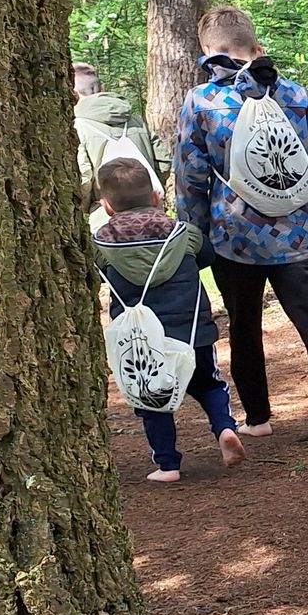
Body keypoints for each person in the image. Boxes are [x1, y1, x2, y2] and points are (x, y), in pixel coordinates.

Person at [174, 6, 308, 444]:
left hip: (232, 235)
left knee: (243, 325)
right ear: (255, 48)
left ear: (207, 50)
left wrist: (194, 240)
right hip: (295, 229)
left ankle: (258, 418)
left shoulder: (201, 100)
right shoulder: (293, 94)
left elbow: (190, 178)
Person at [93, 157, 245, 482]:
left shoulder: (100, 244)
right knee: (208, 384)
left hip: (139, 340)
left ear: (106, 206)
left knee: (149, 398)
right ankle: (224, 429)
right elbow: (207, 257)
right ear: (155, 197)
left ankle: (168, 465)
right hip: (192, 330)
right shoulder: (184, 234)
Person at [74, 60, 167, 223]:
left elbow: (85, 177)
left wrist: (85, 209)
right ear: (102, 89)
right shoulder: (135, 120)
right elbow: (164, 161)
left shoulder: (78, 126)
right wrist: (144, 194)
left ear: (73, 94)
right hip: (152, 210)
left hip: (106, 214)